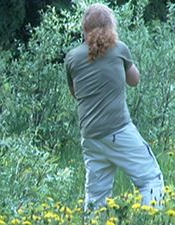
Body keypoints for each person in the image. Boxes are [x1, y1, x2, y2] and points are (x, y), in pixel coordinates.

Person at [64, 3, 164, 211]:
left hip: (90, 136)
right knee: (150, 179)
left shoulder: (72, 57)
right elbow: (134, 80)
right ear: (111, 26)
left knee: (96, 197)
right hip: (118, 130)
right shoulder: (119, 49)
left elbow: (76, 94)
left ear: (84, 29)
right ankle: (155, 219)